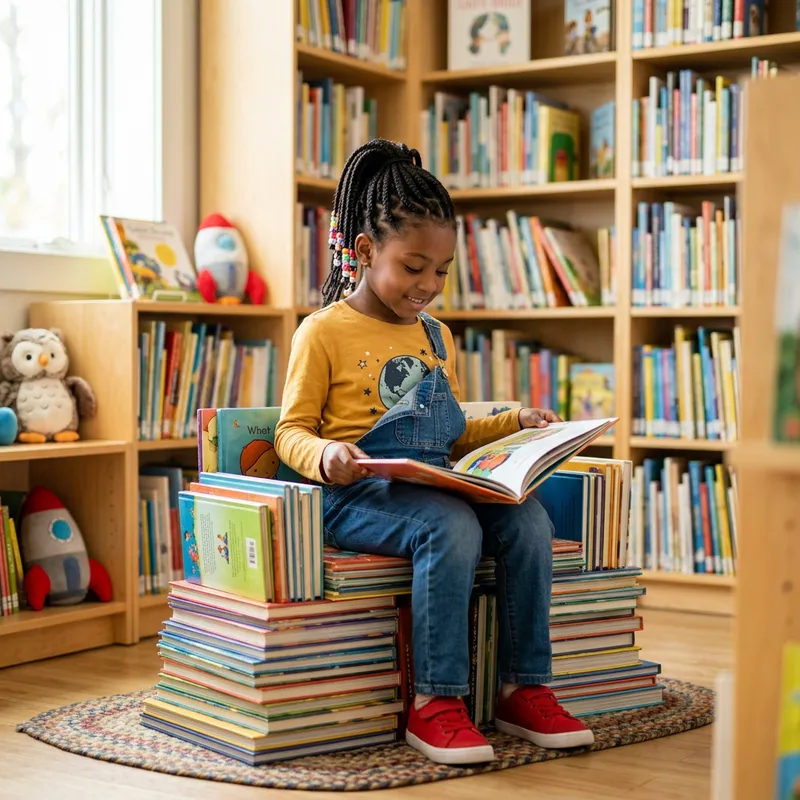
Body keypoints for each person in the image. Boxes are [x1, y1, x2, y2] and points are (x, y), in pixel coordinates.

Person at [274, 139, 595, 765]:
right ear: (365, 252)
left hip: (432, 482)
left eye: (441, 271)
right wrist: (325, 455)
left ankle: (524, 687)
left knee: (528, 518)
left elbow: (447, 430)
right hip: (355, 494)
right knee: (448, 526)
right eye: (413, 267)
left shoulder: (434, 334)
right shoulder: (323, 331)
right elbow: (289, 433)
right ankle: (436, 704)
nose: (428, 285)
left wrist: (515, 421)